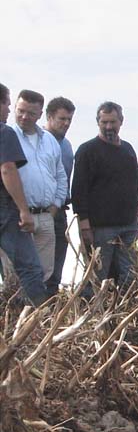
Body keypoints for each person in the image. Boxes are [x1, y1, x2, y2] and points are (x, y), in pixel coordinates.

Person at [72, 102, 138, 290]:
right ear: (98, 122)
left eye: (113, 122)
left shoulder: (128, 150)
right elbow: (79, 190)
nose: (109, 127)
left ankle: (125, 313)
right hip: (100, 227)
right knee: (97, 277)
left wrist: (136, 206)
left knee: (130, 276)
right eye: (104, 122)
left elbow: (136, 181)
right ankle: (91, 314)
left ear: (121, 121)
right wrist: (84, 225)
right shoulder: (87, 150)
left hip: (128, 225)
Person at [5, 90, 67, 281]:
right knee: (14, 275)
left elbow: (60, 177)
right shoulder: (7, 136)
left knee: (44, 274)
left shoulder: (49, 140)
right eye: (20, 111)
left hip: (45, 216)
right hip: (16, 216)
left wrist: (55, 207)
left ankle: (38, 311)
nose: (24, 117)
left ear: (41, 114)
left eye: (31, 113)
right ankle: (14, 311)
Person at [0, 82, 47, 305]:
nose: (9, 110)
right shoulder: (4, 132)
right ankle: (39, 322)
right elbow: (7, 169)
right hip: (5, 212)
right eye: (8, 105)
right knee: (30, 269)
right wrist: (23, 210)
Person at [43, 96, 75, 295]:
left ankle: (50, 310)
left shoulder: (67, 145)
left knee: (57, 265)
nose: (66, 123)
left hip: (61, 209)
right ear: (49, 116)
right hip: (41, 210)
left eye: (69, 120)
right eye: (62, 119)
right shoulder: (38, 141)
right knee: (39, 267)